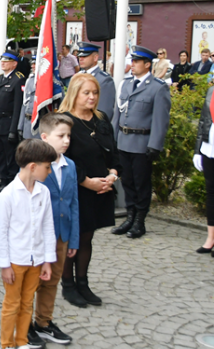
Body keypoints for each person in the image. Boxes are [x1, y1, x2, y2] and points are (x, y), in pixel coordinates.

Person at [0, 139, 57, 349]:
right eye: (47, 167)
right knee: (12, 303)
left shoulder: (44, 192)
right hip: (15, 261)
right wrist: (5, 265)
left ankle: (22, 342)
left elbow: (48, 227)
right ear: (33, 166)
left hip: (37, 259)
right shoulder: (8, 195)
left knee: (27, 302)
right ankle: (6, 346)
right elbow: (1, 232)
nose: (49, 171)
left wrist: (48, 261)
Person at [59, 73, 120, 308]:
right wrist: (87, 182)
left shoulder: (102, 120)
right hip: (76, 190)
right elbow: (62, 160)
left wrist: (112, 176)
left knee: (88, 237)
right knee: (72, 238)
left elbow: (113, 154)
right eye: (87, 93)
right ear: (75, 93)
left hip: (101, 189)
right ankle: (68, 285)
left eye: (95, 93)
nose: (92, 97)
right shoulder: (65, 121)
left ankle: (83, 283)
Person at [28, 113, 79, 349]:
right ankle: (25, 323)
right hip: (38, 238)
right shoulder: (35, 167)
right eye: (61, 136)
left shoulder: (70, 166)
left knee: (52, 281)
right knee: (32, 281)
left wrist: (74, 239)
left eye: (69, 135)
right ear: (45, 137)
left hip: (61, 236)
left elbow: (73, 204)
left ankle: (44, 322)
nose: (66, 140)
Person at [112, 46, 171, 239]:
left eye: (137, 62)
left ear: (147, 64)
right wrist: (113, 140)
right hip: (123, 141)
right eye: (133, 61)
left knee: (141, 183)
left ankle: (140, 221)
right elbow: (117, 114)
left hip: (142, 142)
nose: (133, 65)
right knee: (127, 181)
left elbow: (160, 120)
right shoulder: (126, 84)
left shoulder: (158, 87)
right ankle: (130, 216)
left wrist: (155, 144)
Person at [0, 50, 25, 196]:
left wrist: (13, 129)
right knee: (0, 156)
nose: (2, 63)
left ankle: (11, 184)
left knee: (10, 157)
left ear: (14, 63)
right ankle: (3, 183)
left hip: (8, 123)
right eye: (2, 60)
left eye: (6, 60)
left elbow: (17, 107)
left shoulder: (18, 79)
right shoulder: (0, 79)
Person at [194, 83, 214, 255]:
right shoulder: (211, 90)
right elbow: (203, 121)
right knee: (211, 193)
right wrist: (197, 150)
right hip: (209, 149)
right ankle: (210, 238)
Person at [76, 42, 116, 121]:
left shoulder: (104, 80)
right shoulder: (78, 76)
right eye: (80, 56)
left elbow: (104, 112)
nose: (81, 58)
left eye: (85, 56)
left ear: (95, 58)